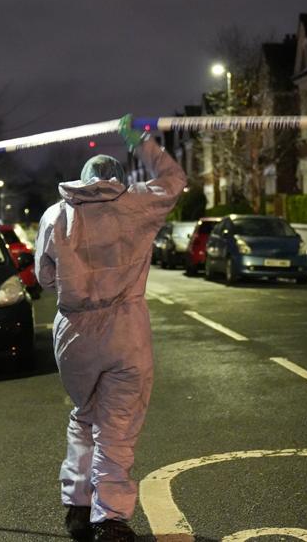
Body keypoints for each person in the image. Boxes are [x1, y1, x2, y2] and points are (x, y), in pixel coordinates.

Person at [34, 114, 187, 542]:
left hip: (74, 334)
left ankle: (77, 506)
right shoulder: (137, 204)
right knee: (116, 424)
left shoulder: (55, 215)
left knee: (85, 415)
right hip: (124, 329)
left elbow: (45, 279)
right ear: (119, 177)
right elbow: (174, 179)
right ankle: (110, 519)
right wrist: (141, 142)